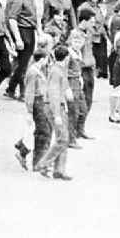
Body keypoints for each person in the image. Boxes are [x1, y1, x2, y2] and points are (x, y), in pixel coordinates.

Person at [34, 45, 72, 180]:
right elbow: (54, 94)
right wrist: (56, 115)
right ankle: (44, 164)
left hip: (59, 106)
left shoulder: (58, 69)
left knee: (62, 138)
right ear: (66, 58)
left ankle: (59, 170)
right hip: (55, 107)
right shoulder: (57, 71)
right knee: (63, 138)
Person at [5, 0, 39, 101]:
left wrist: (39, 32)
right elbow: (12, 19)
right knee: (23, 64)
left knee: (25, 63)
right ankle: (20, 91)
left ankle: (11, 88)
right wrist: (18, 38)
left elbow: (35, 17)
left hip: (30, 31)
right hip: (22, 31)